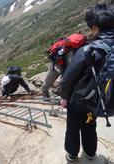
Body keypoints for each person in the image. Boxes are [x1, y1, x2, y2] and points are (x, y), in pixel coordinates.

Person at [60, 3, 114, 161]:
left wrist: (64, 97)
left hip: (79, 99)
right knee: (90, 125)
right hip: (100, 99)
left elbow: (68, 78)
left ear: (96, 26)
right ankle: (90, 153)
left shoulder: (88, 50)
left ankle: (72, 153)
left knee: (73, 128)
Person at [41, 33, 86, 98]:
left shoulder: (70, 48)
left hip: (58, 66)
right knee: (47, 85)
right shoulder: (78, 48)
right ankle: (53, 93)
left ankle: (47, 95)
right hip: (59, 66)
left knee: (47, 84)